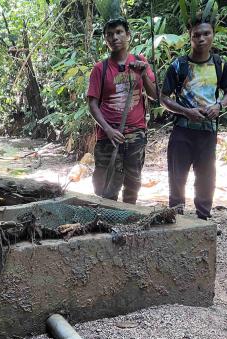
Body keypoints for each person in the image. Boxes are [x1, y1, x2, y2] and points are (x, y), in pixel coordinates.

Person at [160, 14, 227, 220]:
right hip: (182, 131)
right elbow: (163, 98)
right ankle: (176, 218)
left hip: (208, 131)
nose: (201, 38)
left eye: (206, 34)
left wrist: (219, 105)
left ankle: (204, 218)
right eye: (196, 35)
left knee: (206, 178)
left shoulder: (220, 65)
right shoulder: (179, 66)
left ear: (213, 35)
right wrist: (186, 111)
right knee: (177, 177)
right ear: (190, 37)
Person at [87, 18, 157, 204]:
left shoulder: (141, 62)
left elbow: (155, 95)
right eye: (109, 35)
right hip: (107, 136)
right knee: (106, 188)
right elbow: (93, 104)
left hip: (135, 135)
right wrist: (108, 129)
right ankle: (106, 223)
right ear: (105, 39)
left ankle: (128, 224)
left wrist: (143, 74)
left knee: (133, 184)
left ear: (128, 35)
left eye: (118, 32)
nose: (114, 37)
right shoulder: (99, 69)